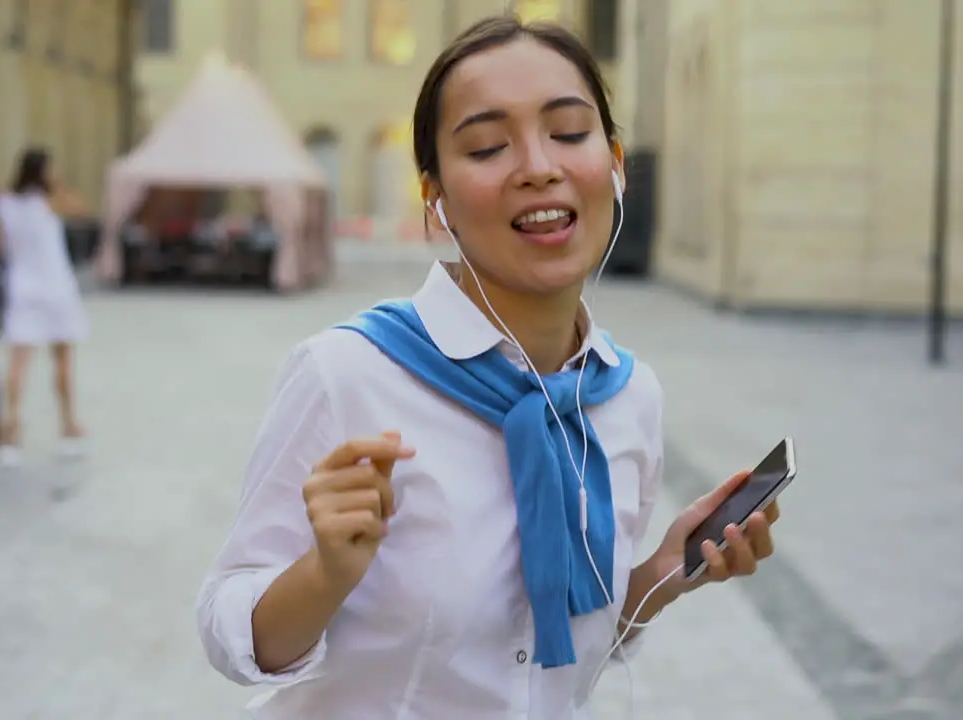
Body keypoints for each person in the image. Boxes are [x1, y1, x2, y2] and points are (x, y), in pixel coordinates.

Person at [196, 16, 781, 718]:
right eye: (485, 145)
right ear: (434, 199)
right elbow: (229, 632)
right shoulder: (350, 372)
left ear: (617, 165)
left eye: (569, 133)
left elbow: (554, 650)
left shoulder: (627, 398)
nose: (538, 166)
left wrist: (662, 574)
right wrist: (324, 573)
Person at [0, 148, 89, 465]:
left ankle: (11, 429)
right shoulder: (48, 201)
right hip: (55, 288)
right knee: (62, 361)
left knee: (18, 364)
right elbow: (80, 209)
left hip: (22, 288)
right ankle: (68, 425)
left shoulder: (5, 203)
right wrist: (58, 183)